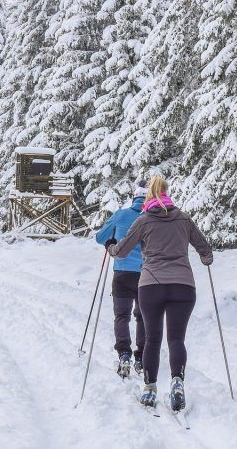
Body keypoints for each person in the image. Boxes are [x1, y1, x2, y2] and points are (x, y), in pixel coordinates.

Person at [106, 175, 213, 412]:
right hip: (183, 286)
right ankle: (177, 382)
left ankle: (150, 389)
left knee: (153, 339)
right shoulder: (184, 218)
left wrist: (111, 248)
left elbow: (122, 250)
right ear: (167, 192)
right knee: (176, 339)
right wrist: (206, 258)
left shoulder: (144, 220)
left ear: (149, 195)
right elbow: (204, 248)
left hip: (151, 285)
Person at [94, 180, 148, 379]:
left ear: (133, 198)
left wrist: (111, 241)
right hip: (146, 274)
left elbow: (100, 237)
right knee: (142, 317)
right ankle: (141, 357)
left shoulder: (121, 215)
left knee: (122, 316)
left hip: (122, 273)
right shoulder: (151, 217)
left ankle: (124, 353)